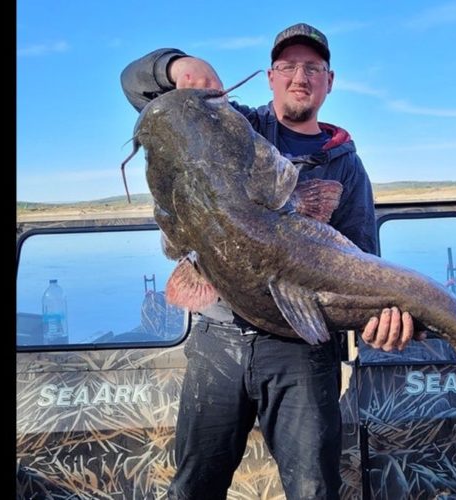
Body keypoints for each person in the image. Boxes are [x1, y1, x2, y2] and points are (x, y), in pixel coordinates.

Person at [121, 22, 423, 500]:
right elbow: (139, 88)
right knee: (194, 486)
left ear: (329, 80)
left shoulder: (344, 165)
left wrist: (378, 319)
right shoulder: (231, 125)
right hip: (217, 338)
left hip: (301, 349)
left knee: (313, 489)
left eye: (312, 68)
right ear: (270, 76)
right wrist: (176, 65)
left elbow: (362, 261)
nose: (299, 76)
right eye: (288, 66)